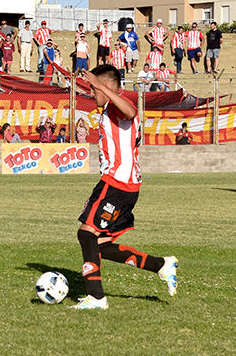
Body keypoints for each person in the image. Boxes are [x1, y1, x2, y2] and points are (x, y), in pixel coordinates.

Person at [72, 64, 177, 310]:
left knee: (86, 234)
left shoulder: (117, 106)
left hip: (116, 183)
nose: (91, 93)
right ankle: (161, 265)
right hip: (125, 186)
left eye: (93, 87)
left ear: (106, 85)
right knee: (101, 245)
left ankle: (96, 298)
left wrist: (100, 87)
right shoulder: (110, 108)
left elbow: (130, 112)